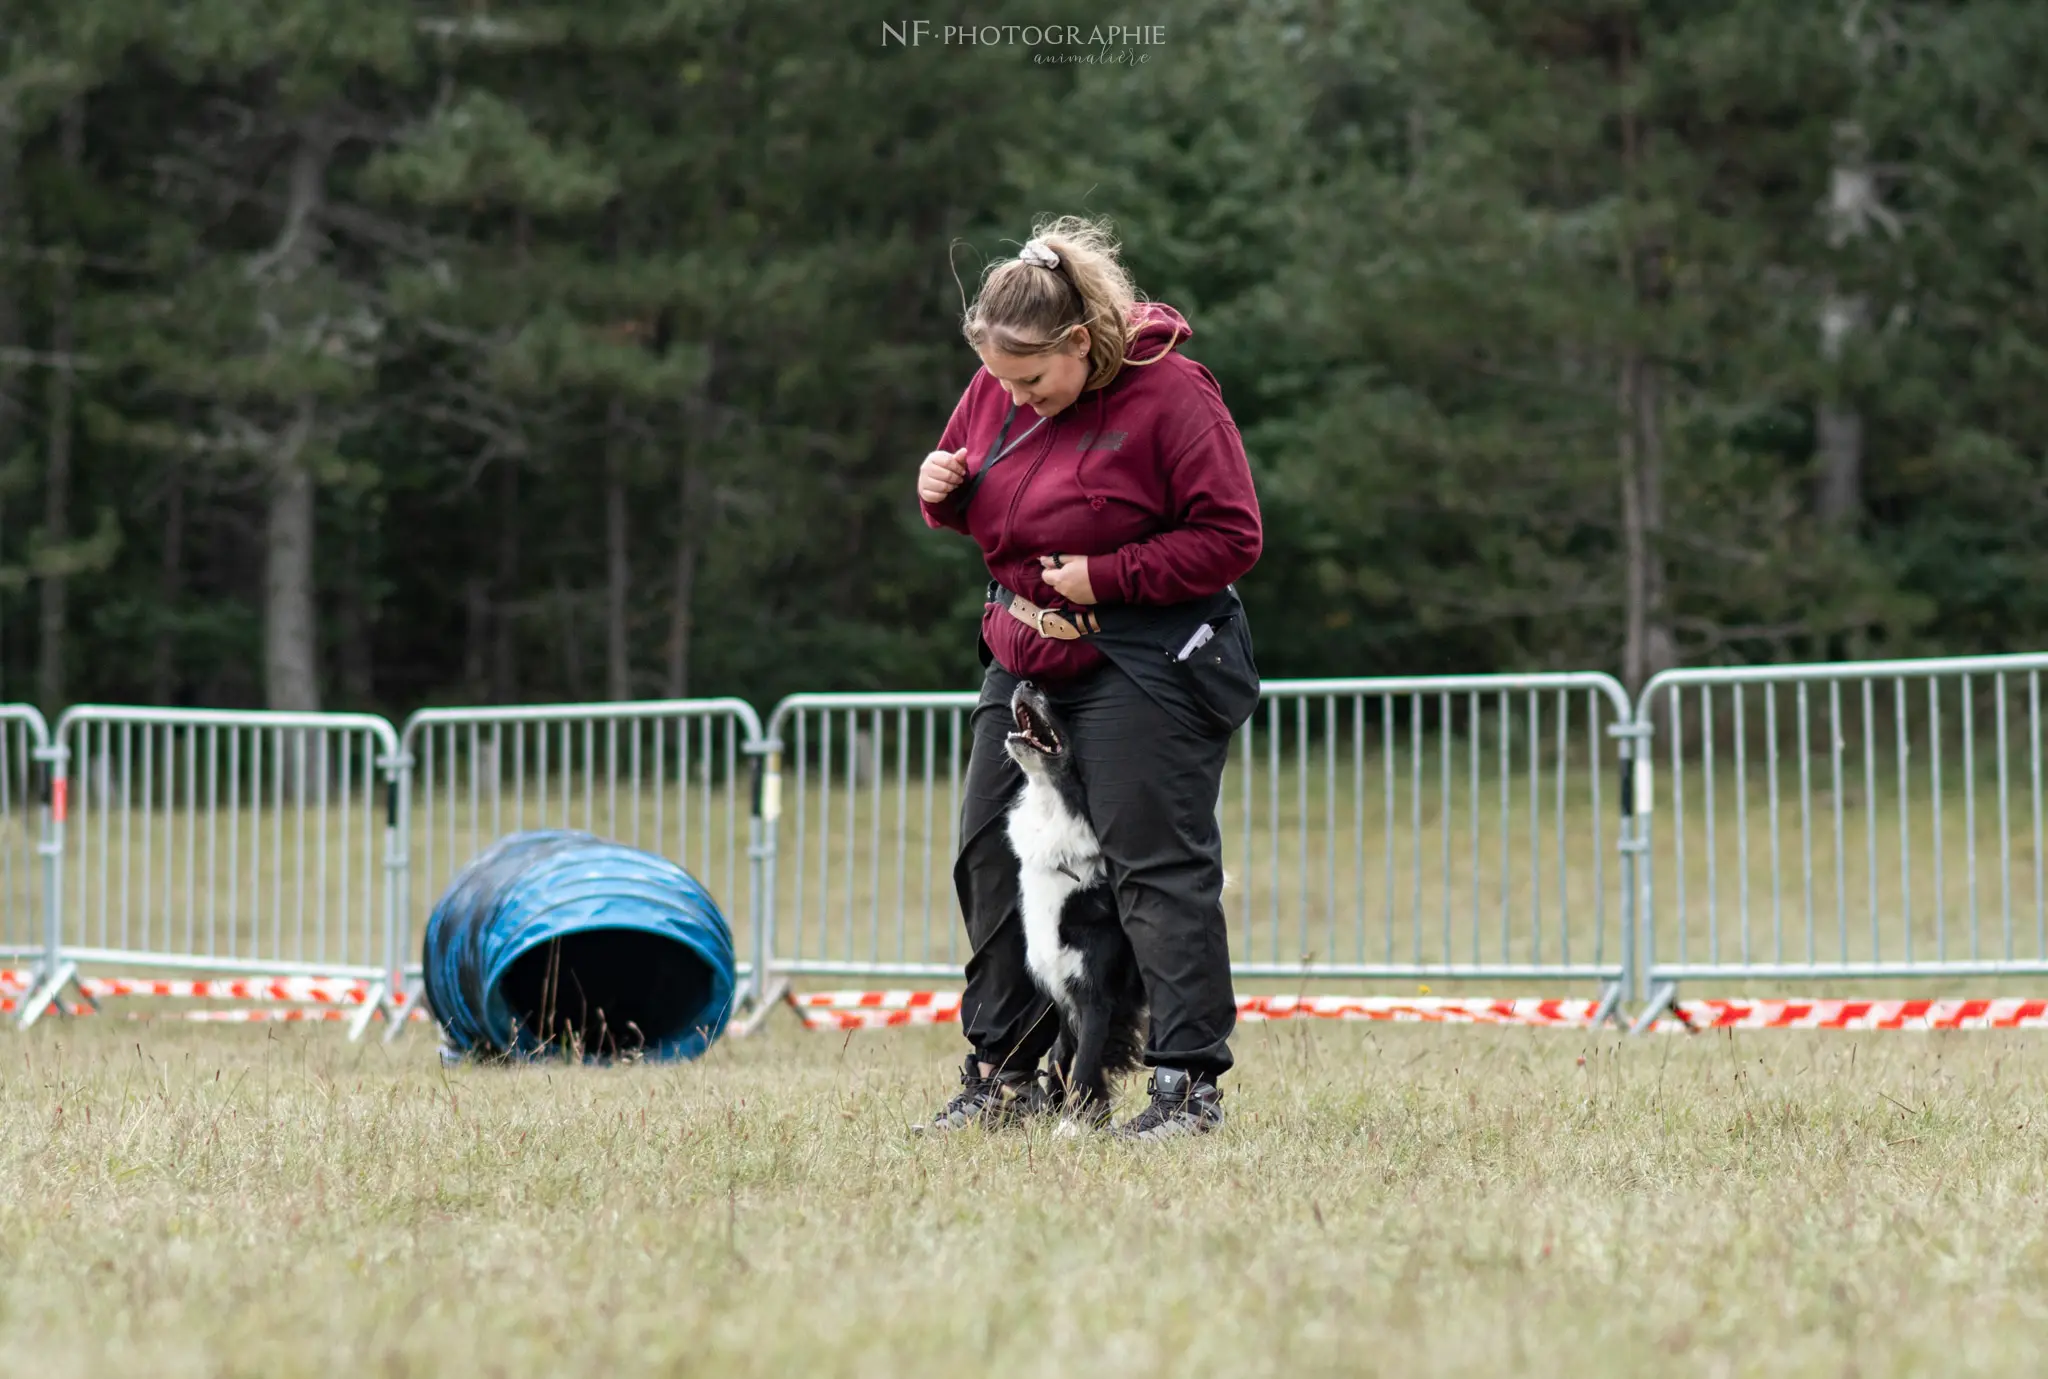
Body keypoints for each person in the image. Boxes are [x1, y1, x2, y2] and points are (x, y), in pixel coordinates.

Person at [912, 215, 1263, 1141]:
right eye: (996, 378)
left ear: (1079, 342)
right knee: (988, 853)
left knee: (1154, 863)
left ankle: (1186, 1087)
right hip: (1023, 652)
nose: (1012, 398)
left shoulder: (1172, 392)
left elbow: (1233, 537)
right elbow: (988, 505)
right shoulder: (998, 385)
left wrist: (1107, 576)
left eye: (1030, 380)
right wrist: (938, 491)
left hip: (1143, 657)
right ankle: (1003, 1075)